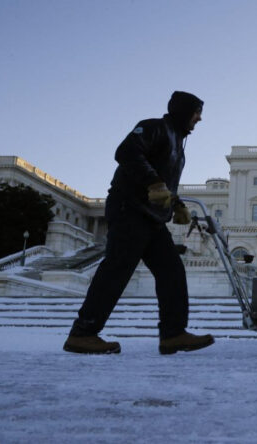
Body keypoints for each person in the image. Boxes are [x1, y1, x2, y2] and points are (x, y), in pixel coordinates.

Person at [64, 91, 214, 355]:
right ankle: (83, 333)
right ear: (182, 111)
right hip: (129, 209)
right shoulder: (155, 127)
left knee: (172, 272)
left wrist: (175, 203)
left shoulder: (179, 146)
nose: (199, 118)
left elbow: (163, 182)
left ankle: (173, 333)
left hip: (152, 218)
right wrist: (153, 184)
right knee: (117, 270)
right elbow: (126, 152)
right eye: (196, 112)